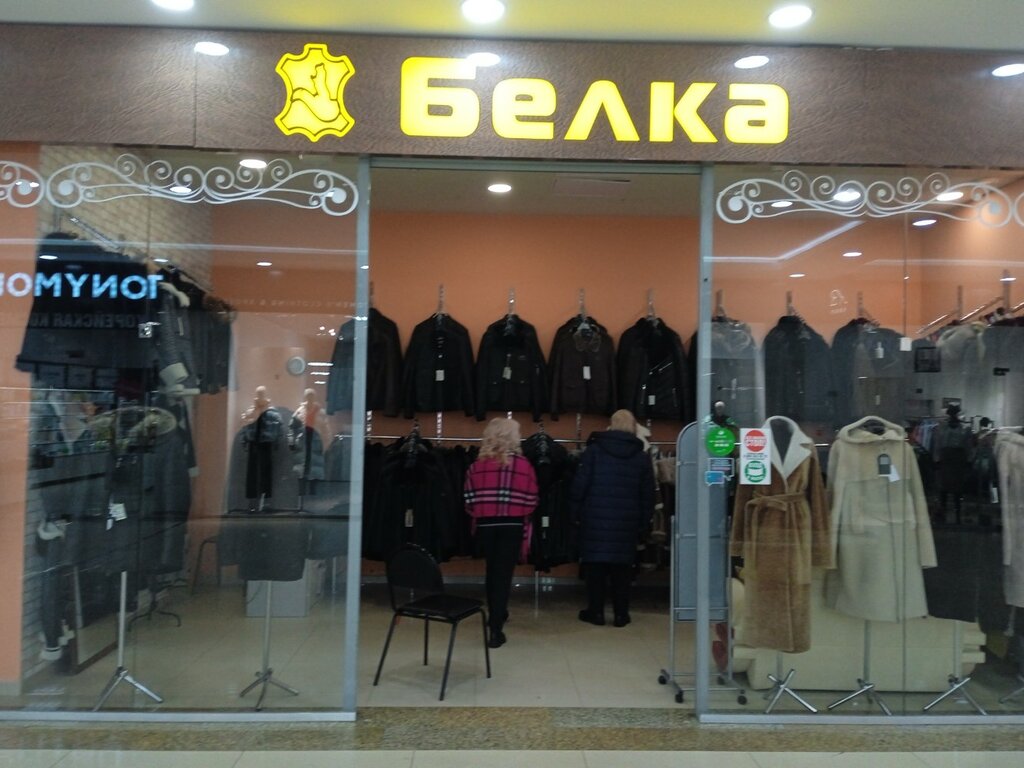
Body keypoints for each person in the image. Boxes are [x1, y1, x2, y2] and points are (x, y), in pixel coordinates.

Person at [571, 409, 655, 627]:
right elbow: (647, 495)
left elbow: (580, 485)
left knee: (595, 568)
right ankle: (621, 614)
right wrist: (643, 522)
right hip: (627, 521)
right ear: (634, 428)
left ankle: (596, 612)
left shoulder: (593, 451)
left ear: (611, 425)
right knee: (622, 569)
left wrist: (575, 512)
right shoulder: (641, 457)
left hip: (595, 518)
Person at [464, 417, 539, 648]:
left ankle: (496, 614)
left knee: (492, 571)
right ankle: (496, 628)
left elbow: (469, 501)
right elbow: (532, 500)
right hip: (512, 526)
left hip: (486, 525)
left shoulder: (476, 466)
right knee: (503, 574)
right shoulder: (524, 465)